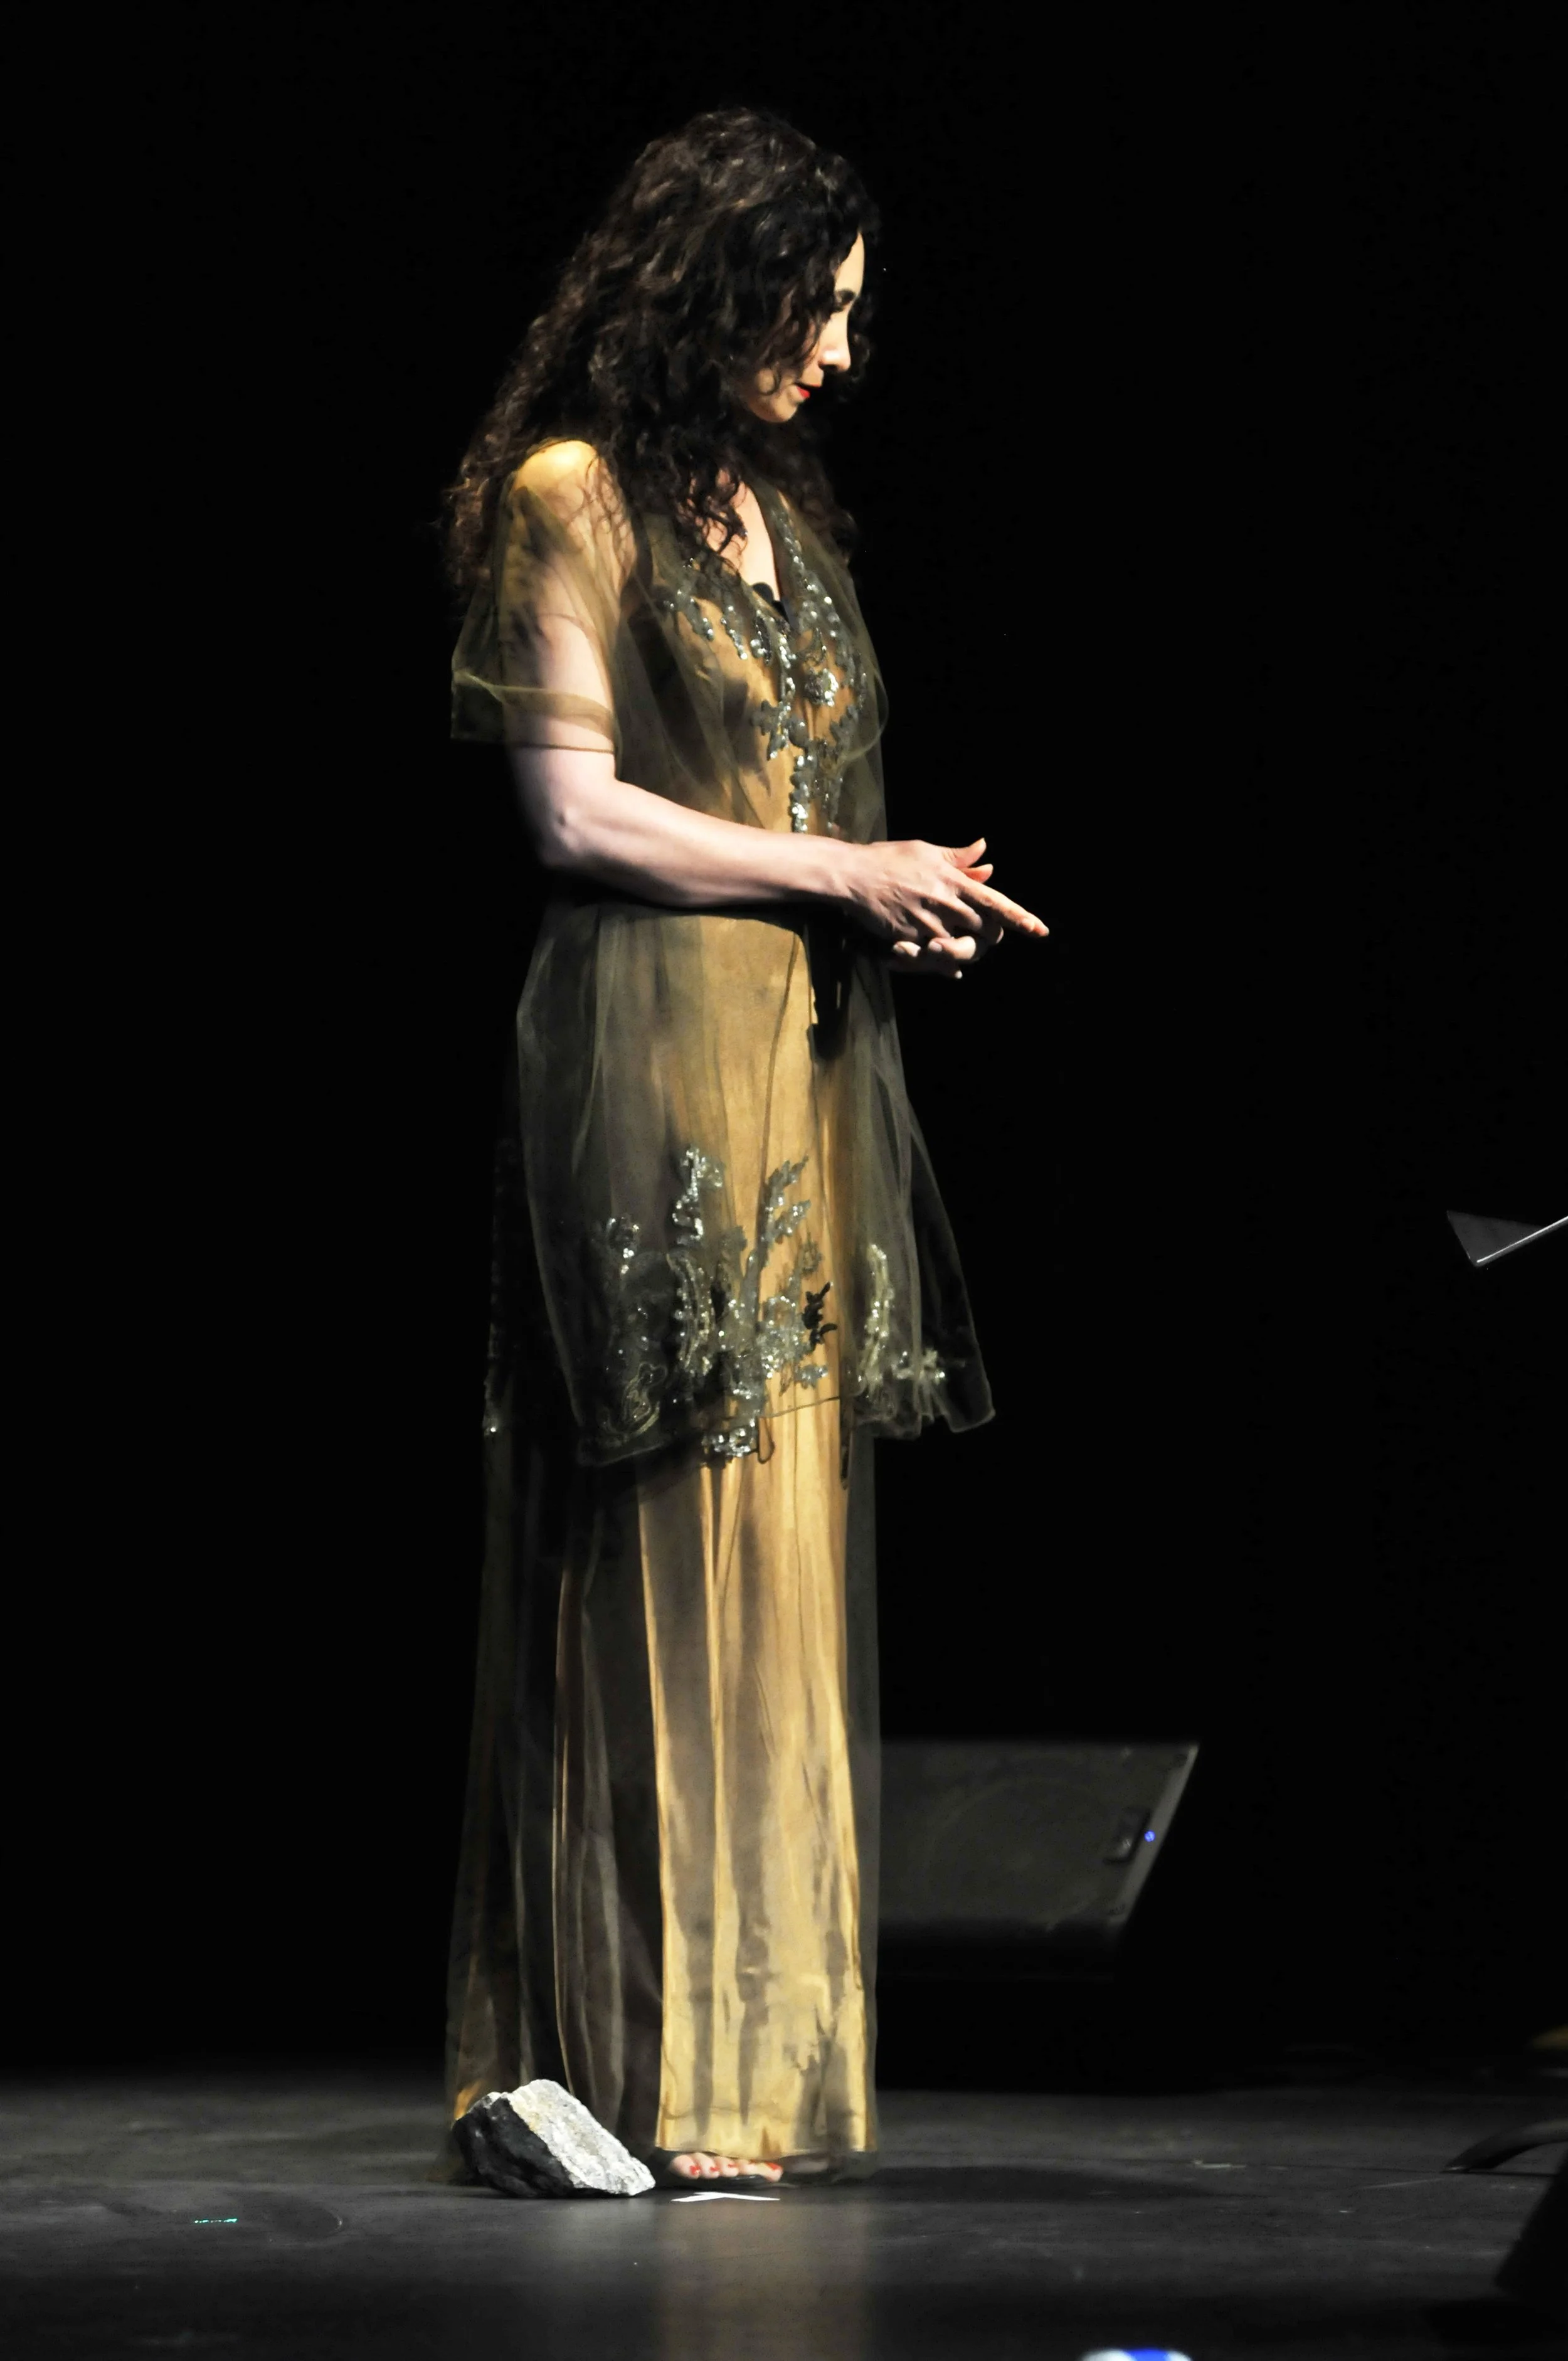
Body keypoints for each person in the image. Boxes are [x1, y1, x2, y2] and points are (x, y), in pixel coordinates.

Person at [440, 105, 1046, 2187]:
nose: (842, 353)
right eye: (821, 308)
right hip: (642, 1050)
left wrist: (893, 889)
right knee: (654, 1551)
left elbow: (793, 792)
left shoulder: (785, 515)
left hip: (790, 1050)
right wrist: (831, 862)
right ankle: (629, 2065)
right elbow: (573, 808)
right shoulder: (571, 495)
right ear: (723, 287)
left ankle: (745, 2064)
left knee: (770, 1550)